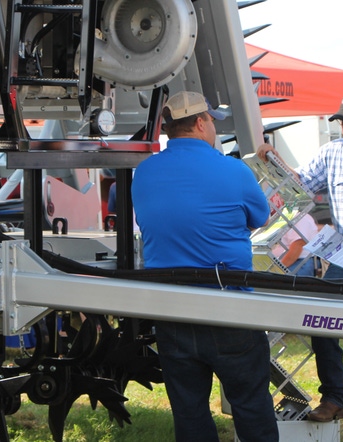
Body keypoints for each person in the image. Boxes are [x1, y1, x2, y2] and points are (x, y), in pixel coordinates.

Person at [131, 90, 278, 441]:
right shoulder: (233, 169)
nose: (213, 127)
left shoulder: (144, 172)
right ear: (200, 123)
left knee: (189, 412)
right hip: (229, 305)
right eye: (212, 120)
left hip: (171, 311)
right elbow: (260, 216)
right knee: (251, 406)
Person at [258, 89, 343, 422]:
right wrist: (274, 160)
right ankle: (334, 398)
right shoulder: (332, 153)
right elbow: (299, 183)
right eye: (341, 122)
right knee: (319, 319)